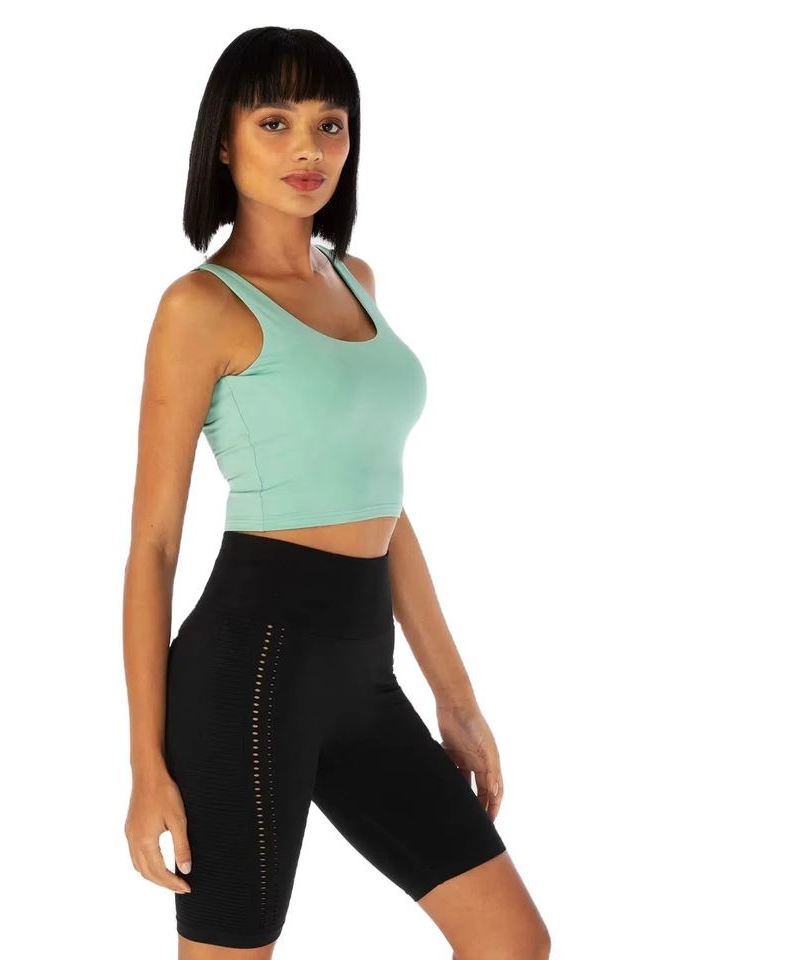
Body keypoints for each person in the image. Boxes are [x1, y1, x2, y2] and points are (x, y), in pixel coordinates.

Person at [122, 26, 550, 959]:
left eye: (330, 124)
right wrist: (146, 765)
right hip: (248, 672)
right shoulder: (200, 307)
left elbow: (385, 510)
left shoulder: (356, 282)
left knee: (512, 940)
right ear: (224, 142)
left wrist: (456, 696)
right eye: (274, 122)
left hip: (364, 676)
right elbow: (154, 545)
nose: (308, 148)